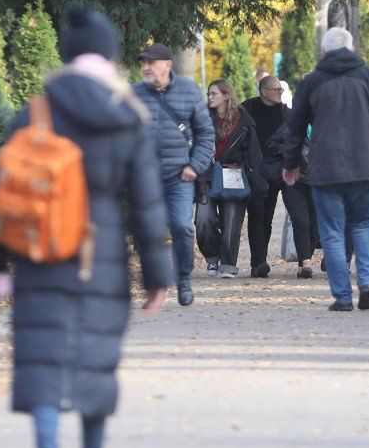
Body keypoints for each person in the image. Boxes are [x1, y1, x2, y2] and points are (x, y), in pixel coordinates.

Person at [0, 7, 173, 448]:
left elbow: (2, 189)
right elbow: (148, 203)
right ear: (110, 55)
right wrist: (157, 276)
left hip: (41, 251)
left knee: (43, 356)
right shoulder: (127, 114)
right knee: (94, 360)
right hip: (100, 253)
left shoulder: (37, 111)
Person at [280, 27, 369, 311]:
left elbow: (295, 128)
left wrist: (291, 165)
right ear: (351, 49)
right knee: (364, 225)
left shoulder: (312, 82)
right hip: (366, 166)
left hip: (326, 168)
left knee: (333, 232)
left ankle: (343, 297)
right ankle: (367, 283)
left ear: (323, 52)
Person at [132, 42, 213, 306]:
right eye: (144, 63)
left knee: (181, 226)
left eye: (151, 63)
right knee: (146, 230)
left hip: (179, 175)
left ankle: (183, 278)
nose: (146, 68)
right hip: (144, 176)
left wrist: (195, 166)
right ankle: (153, 284)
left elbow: (205, 134)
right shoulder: (133, 94)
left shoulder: (189, 91)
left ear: (167, 65)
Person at [242, 74, 318, 278]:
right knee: (260, 216)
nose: (280, 92)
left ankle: (305, 259)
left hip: (284, 172)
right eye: (277, 89)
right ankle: (258, 262)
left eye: (281, 90)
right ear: (264, 91)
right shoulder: (247, 109)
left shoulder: (286, 113)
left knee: (300, 215)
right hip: (258, 171)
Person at [205, 77, 258, 277]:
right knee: (204, 221)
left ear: (226, 96)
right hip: (207, 176)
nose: (210, 97)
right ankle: (212, 258)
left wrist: (255, 178)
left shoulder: (243, 120)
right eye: (209, 94)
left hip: (233, 174)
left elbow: (252, 153)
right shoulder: (203, 118)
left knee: (231, 223)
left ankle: (228, 264)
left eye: (214, 94)